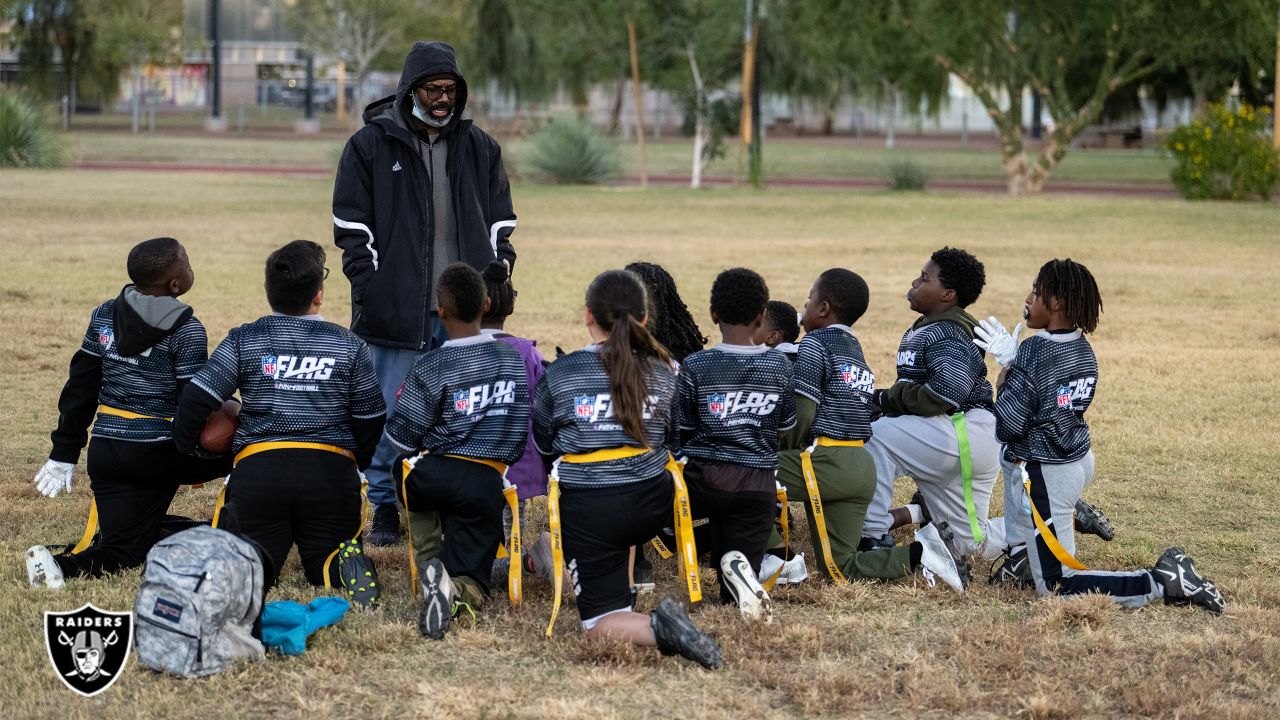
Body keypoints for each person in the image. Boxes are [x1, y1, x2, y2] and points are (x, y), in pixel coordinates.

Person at [332, 40, 518, 547]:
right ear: (410, 89)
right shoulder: (370, 145)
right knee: (393, 412)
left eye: (451, 89)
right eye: (433, 89)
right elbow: (350, 227)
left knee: (469, 409)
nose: (443, 98)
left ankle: (466, 500)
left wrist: (498, 272)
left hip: (465, 311)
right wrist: (373, 291)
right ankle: (388, 506)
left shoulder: (478, 145)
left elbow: (502, 220)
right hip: (397, 312)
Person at [980, 259, 1225, 612]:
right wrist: (1020, 367)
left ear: (1057, 303)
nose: (1028, 298)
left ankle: (1163, 581)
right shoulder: (1082, 348)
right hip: (1076, 457)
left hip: (1048, 470)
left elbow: (1009, 425)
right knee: (1012, 461)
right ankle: (1022, 559)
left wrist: (1006, 374)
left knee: (1056, 585)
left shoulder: (1034, 350)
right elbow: (1051, 394)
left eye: (1036, 291)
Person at [172, 240, 386, 606]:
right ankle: (340, 566)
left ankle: (246, 567)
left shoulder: (246, 338)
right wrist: (357, 463)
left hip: (260, 473)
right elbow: (370, 416)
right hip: (329, 474)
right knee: (325, 564)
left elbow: (197, 397)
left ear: (268, 292)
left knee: (253, 563)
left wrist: (189, 450)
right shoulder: (349, 345)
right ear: (318, 296)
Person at [533, 269, 722, 669]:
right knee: (627, 488)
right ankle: (627, 591)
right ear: (645, 319)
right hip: (653, 502)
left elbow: (544, 441)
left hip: (592, 509)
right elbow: (676, 433)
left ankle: (658, 628)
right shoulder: (666, 369)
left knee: (598, 623)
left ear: (588, 315)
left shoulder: (561, 372)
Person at [26, 238, 231, 588]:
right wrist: (218, 455)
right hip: (158, 451)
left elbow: (81, 385)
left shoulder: (104, 314)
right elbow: (194, 404)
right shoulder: (187, 329)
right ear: (176, 285)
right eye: (188, 263)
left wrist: (64, 451)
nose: (191, 266)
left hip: (106, 450)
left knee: (124, 548)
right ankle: (251, 529)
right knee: (253, 447)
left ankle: (59, 567)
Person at [774, 268, 968, 591]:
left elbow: (803, 409)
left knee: (745, 472)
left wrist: (783, 450)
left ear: (823, 309)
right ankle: (922, 554)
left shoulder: (813, 343)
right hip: (862, 468)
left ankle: (771, 557)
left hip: (824, 461)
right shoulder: (856, 350)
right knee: (841, 567)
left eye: (808, 300)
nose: (803, 309)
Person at [384, 263, 530, 639]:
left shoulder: (431, 364)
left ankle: (431, 562)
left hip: (432, 476)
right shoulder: (513, 361)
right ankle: (453, 586)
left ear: (440, 311)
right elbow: (520, 429)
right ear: (485, 304)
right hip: (487, 482)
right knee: (476, 580)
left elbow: (402, 436)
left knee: (401, 469)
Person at [859, 248, 1003, 556]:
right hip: (956, 434)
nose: (914, 282)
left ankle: (871, 537)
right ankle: (1049, 523)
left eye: (924, 278)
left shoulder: (948, 331)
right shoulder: (931, 325)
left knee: (875, 435)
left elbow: (945, 393)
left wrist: (886, 399)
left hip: (962, 431)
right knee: (969, 546)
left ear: (947, 294)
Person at [675, 268, 795, 621]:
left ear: (713, 315)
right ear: (761, 318)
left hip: (702, 480)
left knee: (654, 511)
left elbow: (682, 428)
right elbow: (784, 427)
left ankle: (639, 573)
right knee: (733, 594)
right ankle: (739, 580)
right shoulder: (778, 365)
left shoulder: (696, 364)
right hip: (757, 486)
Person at [479, 263, 556, 585]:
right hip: (518, 462)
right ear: (511, 306)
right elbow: (543, 409)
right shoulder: (527, 353)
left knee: (476, 518)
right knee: (514, 516)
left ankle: (494, 564)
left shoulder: (457, 352)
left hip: (470, 461)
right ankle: (513, 564)